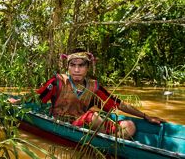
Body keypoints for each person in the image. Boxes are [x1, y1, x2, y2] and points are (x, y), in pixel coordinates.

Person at [9, 49, 166, 139]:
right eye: (73, 65)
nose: (77, 70)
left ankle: (106, 144)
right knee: (93, 117)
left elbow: (118, 103)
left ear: (87, 68)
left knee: (130, 125)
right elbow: (37, 96)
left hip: (86, 125)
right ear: (68, 67)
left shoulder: (94, 87)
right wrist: (18, 102)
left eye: (81, 66)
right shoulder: (58, 81)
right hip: (64, 124)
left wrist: (145, 116)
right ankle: (108, 144)